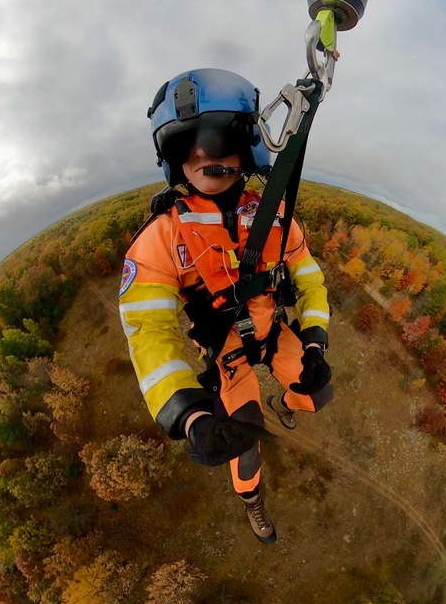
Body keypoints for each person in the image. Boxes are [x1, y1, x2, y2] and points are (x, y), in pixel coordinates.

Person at [118, 69, 333, 544]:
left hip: (275, 330)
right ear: (175, 162)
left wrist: (315, 341)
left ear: (246, 148)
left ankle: (289, 398)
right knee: (245, 440)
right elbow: (149, 329)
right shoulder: (163, 236)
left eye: (216, 143)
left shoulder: (277, 212)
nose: (204, 157)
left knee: (319, 394)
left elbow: (309, 276)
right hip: (225, 349)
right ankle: (252, 501)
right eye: (188, 149)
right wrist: (188, 414)